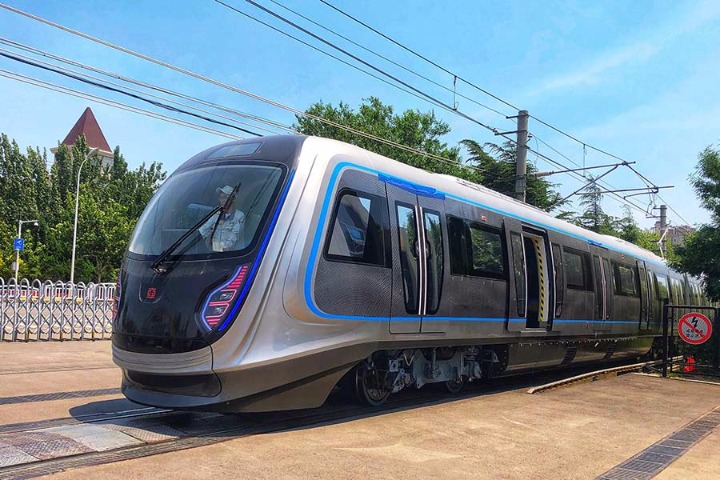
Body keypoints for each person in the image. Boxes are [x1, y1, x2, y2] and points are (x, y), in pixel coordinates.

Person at [199, 185, 246, 252]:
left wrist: (211, 247)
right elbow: (203, 230)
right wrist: (195, 239)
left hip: (232, 256)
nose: (223, 200)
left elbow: (231, 243)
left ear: (233, 199)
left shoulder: (239, 216)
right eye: (221, 198)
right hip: (215, 255)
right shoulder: (216, 214)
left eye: (225, 198)